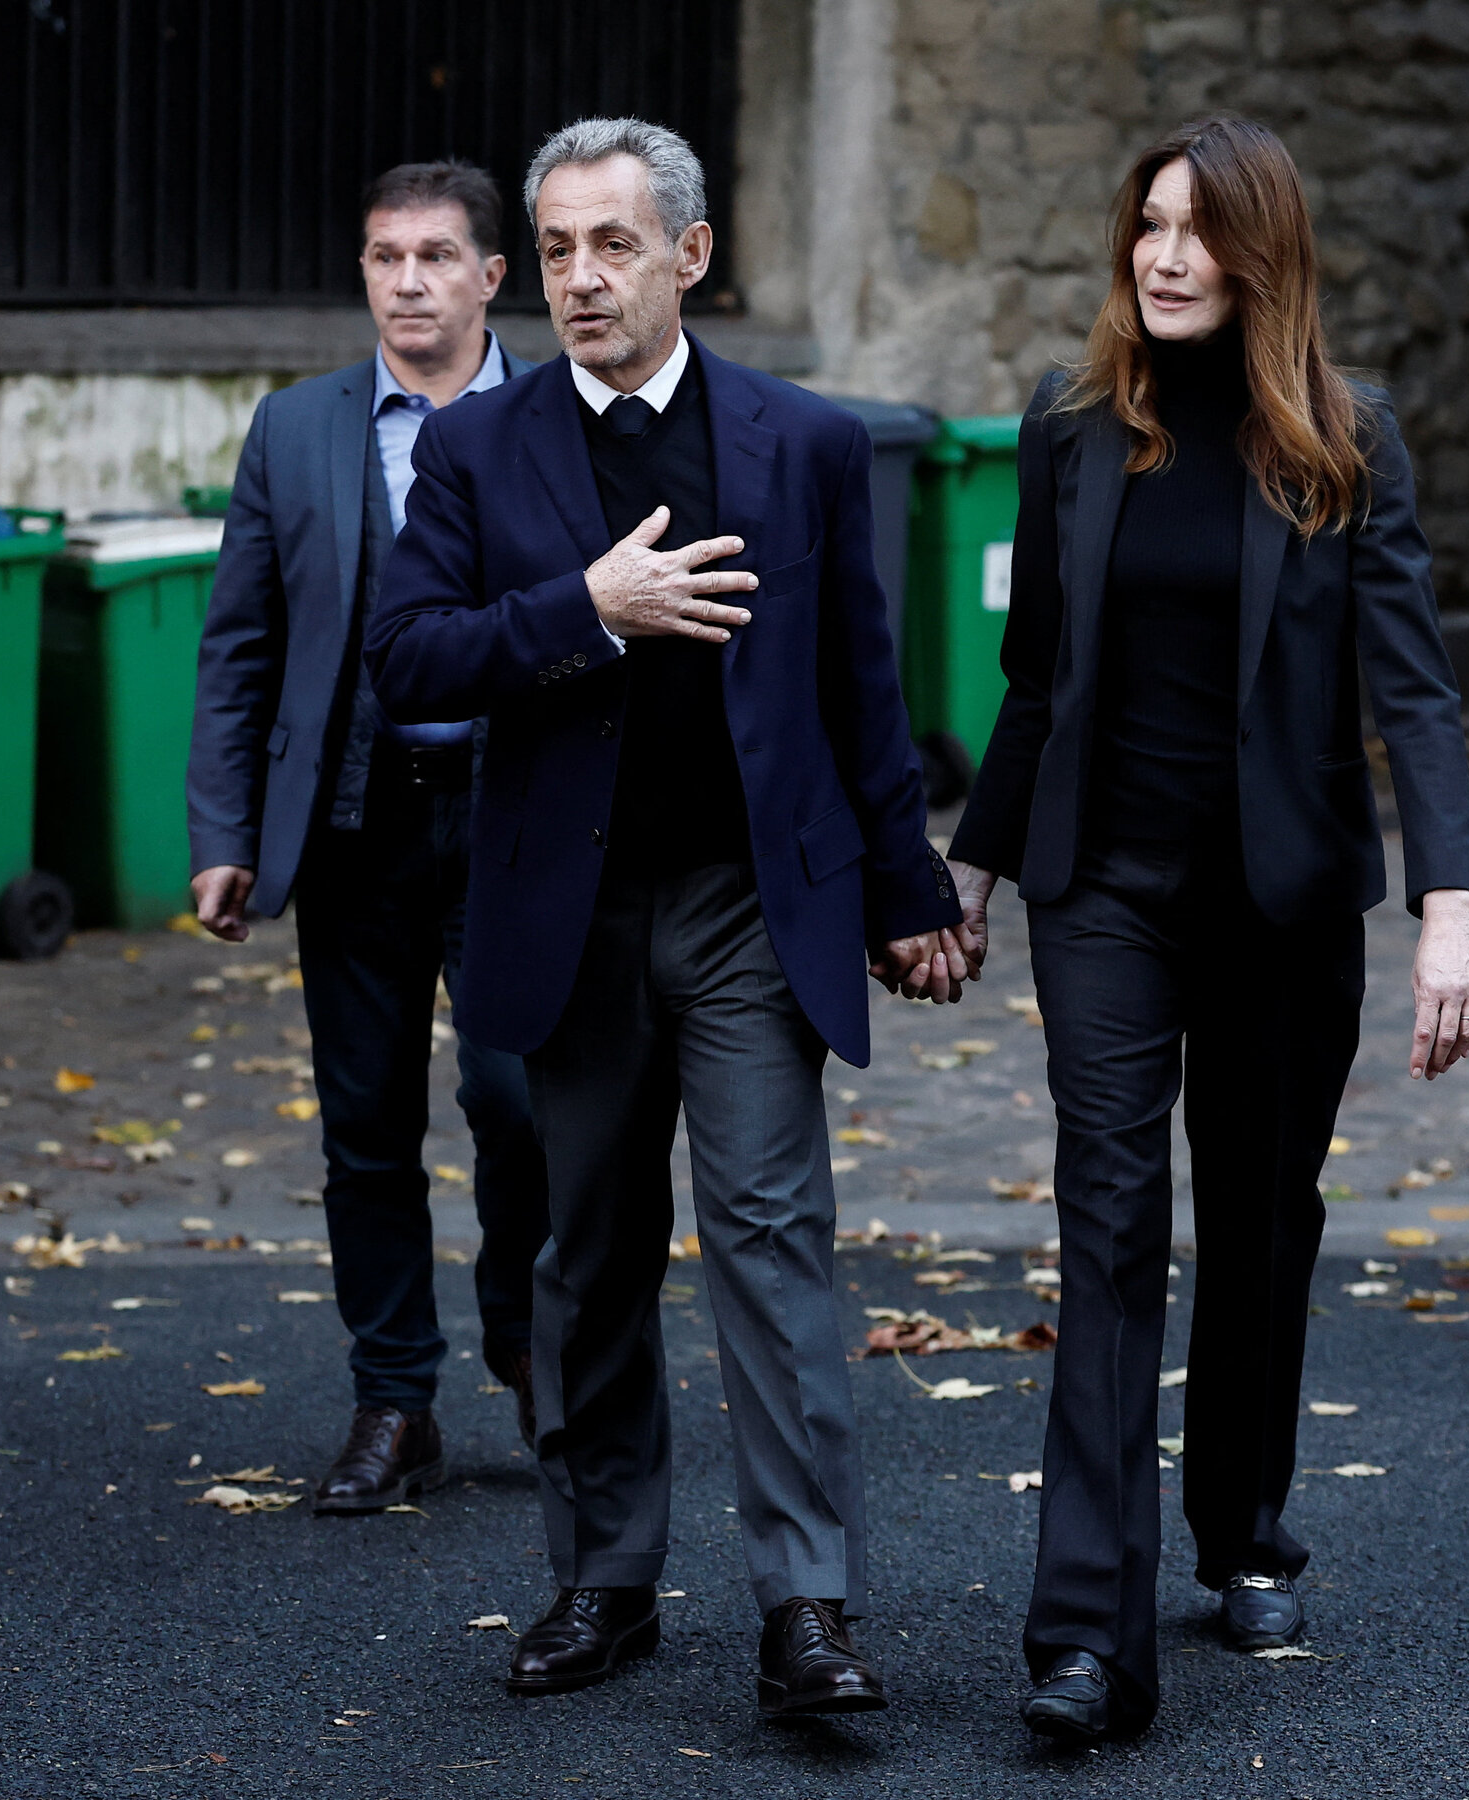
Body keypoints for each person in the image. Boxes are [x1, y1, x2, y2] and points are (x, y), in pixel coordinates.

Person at [365, 117, 967, 1712]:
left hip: (748, 906)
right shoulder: (478, 449)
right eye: (559, 248)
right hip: (570, 910)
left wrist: (908, 894)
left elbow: (859, 684)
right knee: (595, 1255)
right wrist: (586, 610)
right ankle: (606, 1579)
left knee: (770, 1240)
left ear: (690, 256)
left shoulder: (804, 442)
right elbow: (409, 658)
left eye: (613, 244)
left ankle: (807, 1607)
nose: (580, 278)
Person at [946, 115, 1469, 1743]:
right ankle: (1083, 1640)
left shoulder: (1344, 438)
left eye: (1201, 231)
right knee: (1109, 1228)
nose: (1167, 257)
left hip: (1282, 904)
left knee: (1260, 1222)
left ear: (1265, 255)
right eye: (1149, 225)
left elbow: (1416, 692)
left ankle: (1243, 1527)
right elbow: (1035, 682)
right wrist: (971, 871)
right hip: (1104, 891)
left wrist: (1449, 910)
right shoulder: (1070, 429)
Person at [186, 159, 551, 1509]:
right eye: (385, 258)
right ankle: (395, 1399)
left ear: (491, 277)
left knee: (521, 1104)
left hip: (515, 820)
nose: (408, 283)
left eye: (436, 257)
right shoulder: (295, 429)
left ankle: (526, 1333)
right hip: (350, 822)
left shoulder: (562, 417)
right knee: (364, 1126)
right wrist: (222, 829)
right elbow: (240, 645)